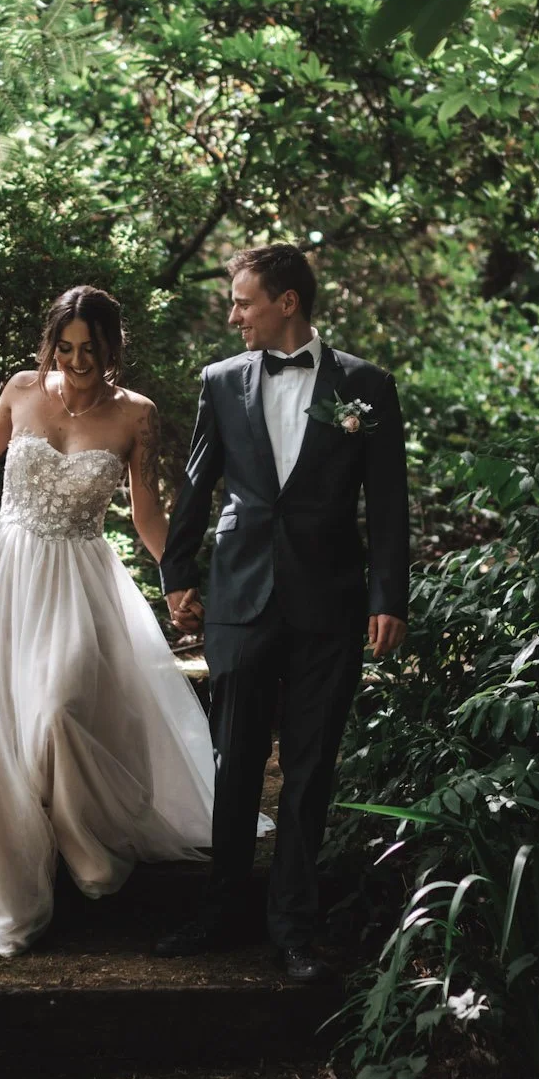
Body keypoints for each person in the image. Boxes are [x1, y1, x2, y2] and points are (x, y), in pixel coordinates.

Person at [0, 286, 216, 957]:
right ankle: (17, 862)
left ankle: (91, 853)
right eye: (66, 348)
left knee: (59, 707)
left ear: (112, 348)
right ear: (51, 345)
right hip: (8, 575)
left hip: (80, 578)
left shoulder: (136, 414)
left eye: (91, 350)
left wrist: (178, 580)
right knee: (3, 722)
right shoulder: (22, 388)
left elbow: (145, 514)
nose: (77, 363)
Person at [155, 244, 409, 983]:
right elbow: (198, 482)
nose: (232, 314)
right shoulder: (220, 381)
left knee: (309, 767)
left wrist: (389, 597)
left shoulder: (365, 386)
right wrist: (177, 574)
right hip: (240, 598)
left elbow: (387, 502)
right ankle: (221, 908)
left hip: (329, 602)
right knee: (234, 763)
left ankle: (293, 926)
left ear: (287, 301)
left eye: (243, 301)